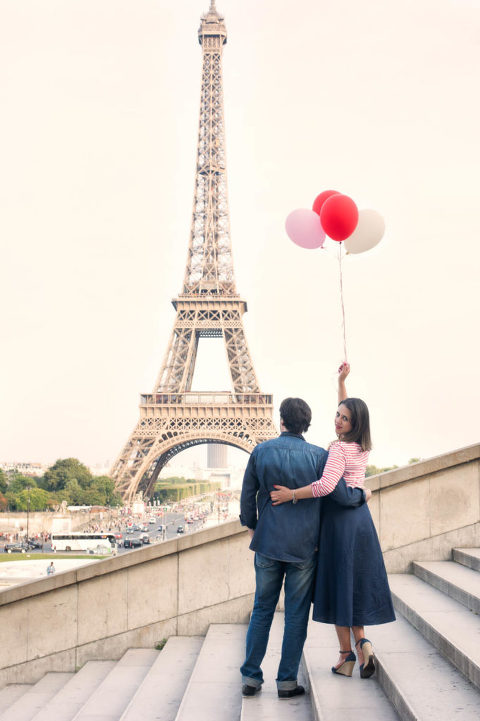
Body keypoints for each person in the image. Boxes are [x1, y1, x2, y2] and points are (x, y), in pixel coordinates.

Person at [271, 363, 395, 678]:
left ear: (352, 424)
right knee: (352, 585)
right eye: (337, 414)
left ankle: (346, 656)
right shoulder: (361, 447)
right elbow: (353, 411)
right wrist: (342, 383)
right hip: (361, 522)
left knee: (340, 586)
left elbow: (326, 487)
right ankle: (363, 642)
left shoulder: (338, 449)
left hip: (340, 524)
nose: (337, 420)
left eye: (343, 418)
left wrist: (292, 495)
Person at [239, 396, 367, 699]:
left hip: (268, 544)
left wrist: (254, 528)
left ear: (281, 420)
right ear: (306, 425)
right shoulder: (320, 456)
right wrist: (362, 493)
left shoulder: (261, 451)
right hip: (304, 548)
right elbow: (336, 496)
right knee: (296, 615)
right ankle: (286, 682)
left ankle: (251, 678)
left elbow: (247, 497)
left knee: (262, 610)